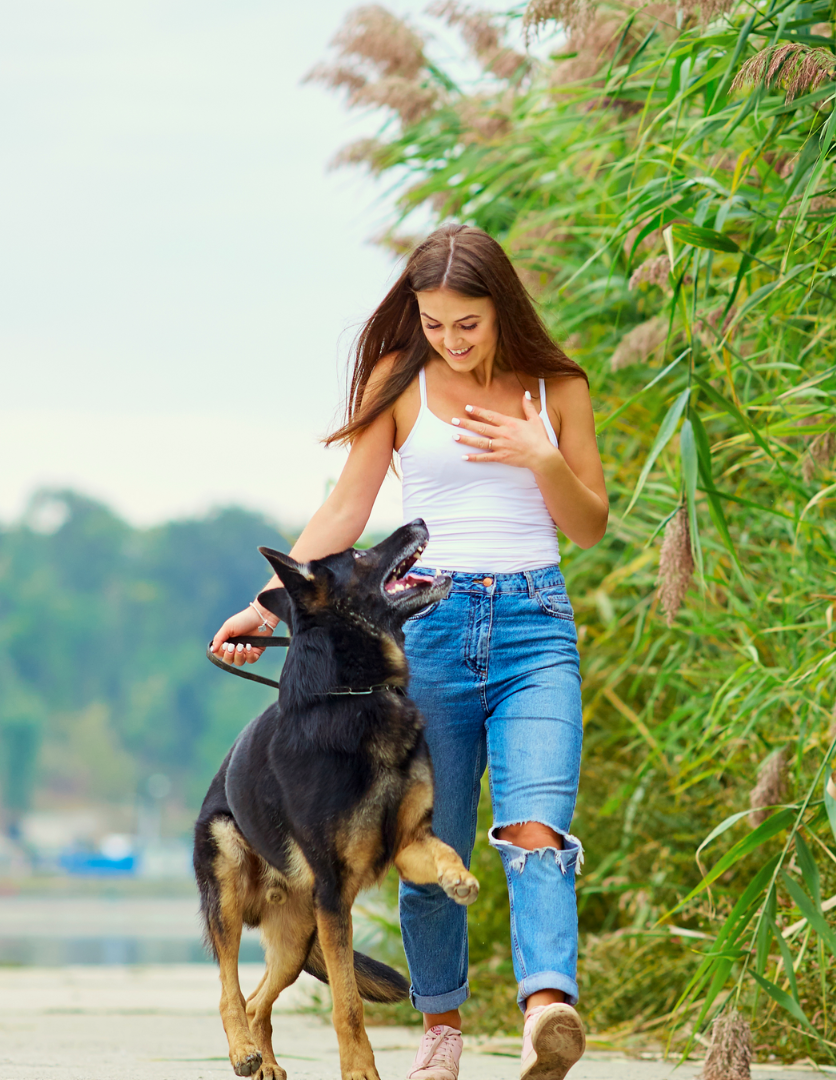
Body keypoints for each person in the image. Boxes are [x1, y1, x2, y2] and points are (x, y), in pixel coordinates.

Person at [210, 224, 609, 1080]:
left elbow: (589, 524)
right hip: (429, 632)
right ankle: (442, 1033)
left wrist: (543, 456)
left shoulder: (558, 389)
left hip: (536, 627)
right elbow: (347, 513)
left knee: (536, 827)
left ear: (500, 308)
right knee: (426, 843)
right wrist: (264, 607)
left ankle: (548, 1010)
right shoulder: (402, 387)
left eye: (467, 323)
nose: (450, 341)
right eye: (433, 324)